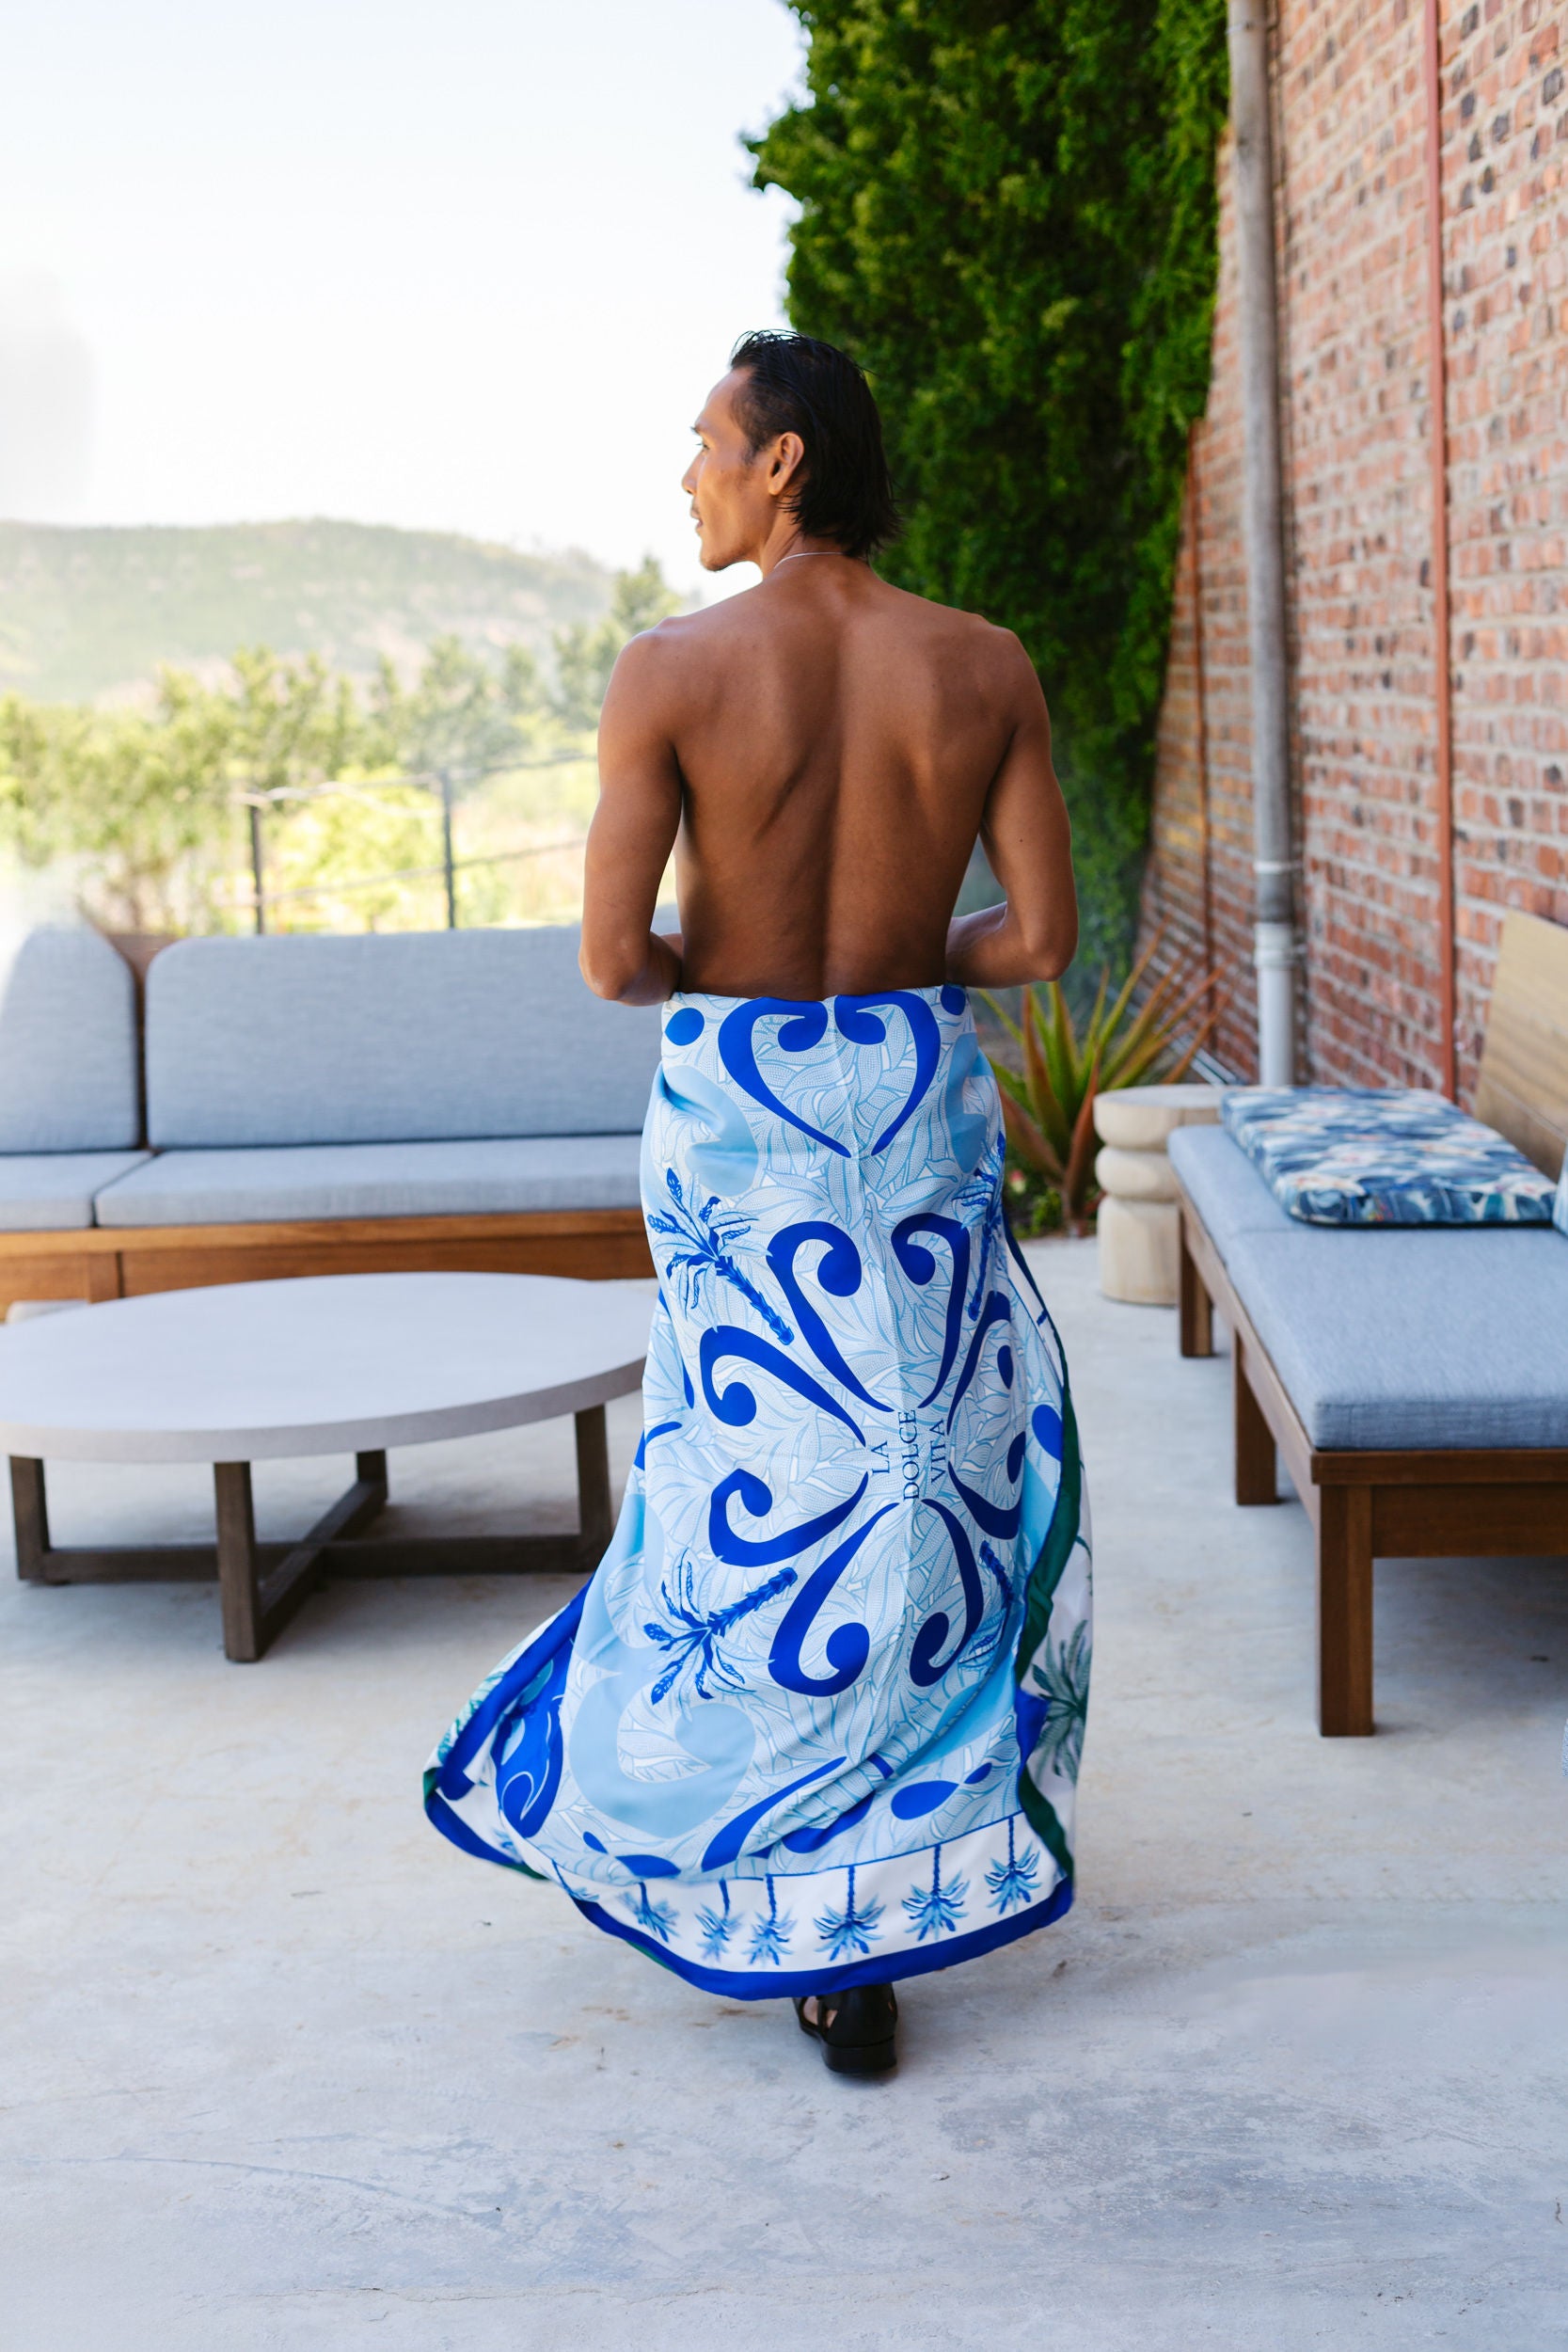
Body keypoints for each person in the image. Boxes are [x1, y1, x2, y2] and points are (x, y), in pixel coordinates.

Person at [424, 330, 1091, 2077]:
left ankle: (764, 1877)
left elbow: (609, 960)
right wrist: (896, 962)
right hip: (918, 1104)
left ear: (782, 460)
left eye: (707, 443)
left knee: (745, 1494)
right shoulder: (984, 663)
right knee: (921, 1486)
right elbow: (1038, 940)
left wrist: (738, 969)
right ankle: (898, 1876)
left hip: (740, 1125)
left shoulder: (669, 670)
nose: (690, 476)